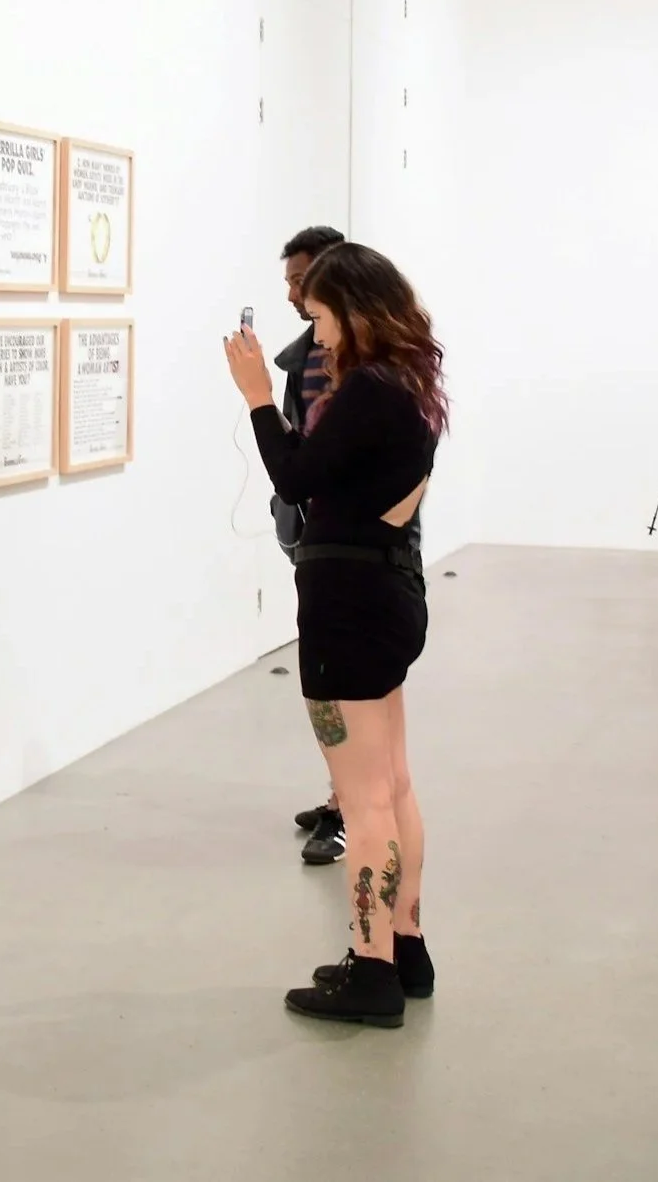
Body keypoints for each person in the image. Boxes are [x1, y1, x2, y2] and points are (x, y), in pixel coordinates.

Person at [225, 242, 446, 1026]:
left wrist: (256, 395)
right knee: (392, 785)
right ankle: (405, 944)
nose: (316, 337)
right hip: (390, 593)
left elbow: (295, 475)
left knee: (363, 800)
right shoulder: (413, 386)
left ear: (355, 309)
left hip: (347, 607)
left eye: (320, 317)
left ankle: (371, 966)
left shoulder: (368, 395)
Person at [275, 224, 357, 868]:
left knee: (340, 689)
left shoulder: (359, 371)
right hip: (322, 545)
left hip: (351, 556)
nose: (292, 292)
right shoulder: (303, 355)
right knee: (325, 684)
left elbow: (309, 463)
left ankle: (349, 809)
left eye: (302, 281)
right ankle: (342, 798)